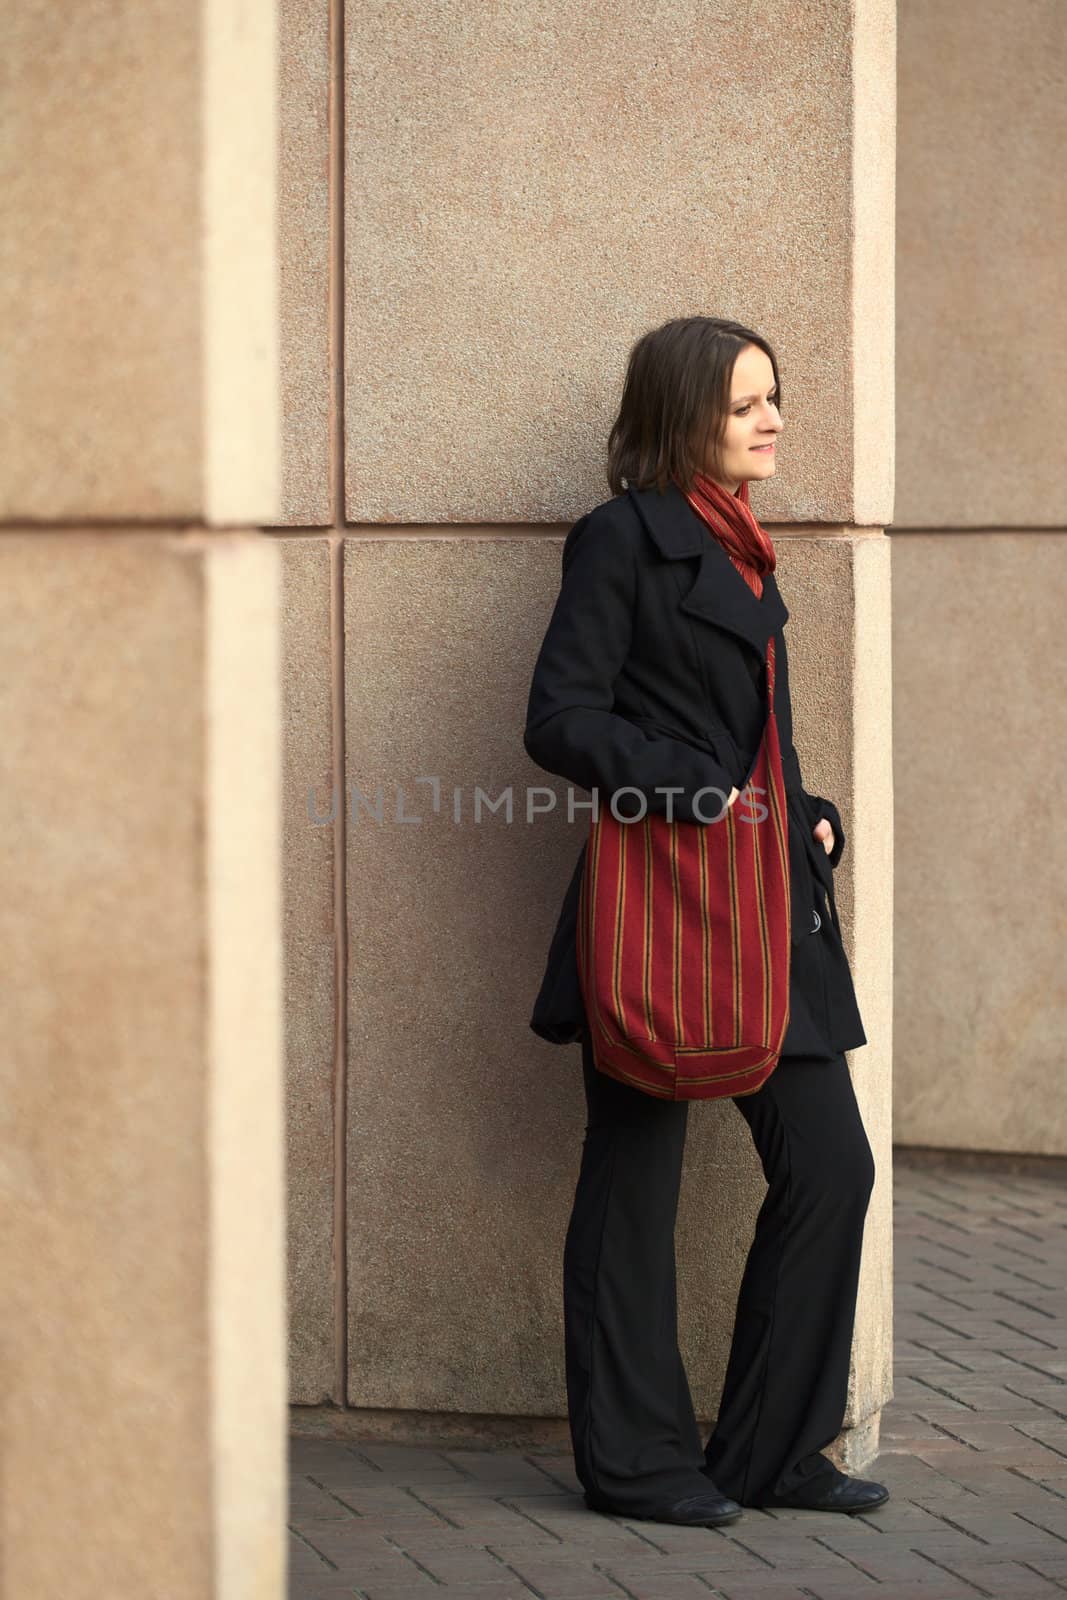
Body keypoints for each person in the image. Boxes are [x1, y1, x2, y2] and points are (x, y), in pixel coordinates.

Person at [522, 316, 887, 1527]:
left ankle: (768, 1451)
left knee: (831, 1166)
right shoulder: (624, 539)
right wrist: (692, 790)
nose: (771, 419)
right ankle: (632, 1464)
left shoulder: (745, 550)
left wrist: (805, 806)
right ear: (686, 417)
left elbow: (750, 731)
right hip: (666, 911)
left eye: (772, 397)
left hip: (768, 905)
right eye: (744, 405)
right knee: (633, 1181)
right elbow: (559, 716)